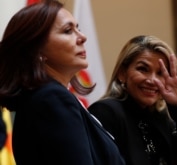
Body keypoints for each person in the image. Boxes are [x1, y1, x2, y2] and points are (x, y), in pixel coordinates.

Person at [0, 1, 125, 165]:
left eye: (78, 28)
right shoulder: (52, 99)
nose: (82, 37)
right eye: (68, 31)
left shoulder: (45, 97)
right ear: (37, 50)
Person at [88, 35, 177, 165]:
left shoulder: (161, 116)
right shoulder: (106, 112)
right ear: (122, 73)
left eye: (160, 73)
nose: (152, 80)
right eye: (143, 69)